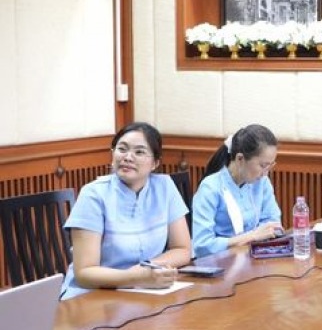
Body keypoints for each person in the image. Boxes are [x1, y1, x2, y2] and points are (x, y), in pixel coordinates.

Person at [60, 122, 192, 300]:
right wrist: (137, 277)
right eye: (122, 149)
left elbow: (183, 249)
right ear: (112, 154)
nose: (128, 157)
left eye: (139, 152)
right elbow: (84, 273)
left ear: (155, 163)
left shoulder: (165, 187)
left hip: (143, 293)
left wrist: (149, 270)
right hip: (93, 296)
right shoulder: (93, 194)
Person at [192, 124, 282, 258]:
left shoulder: (262, 182)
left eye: (270, 166)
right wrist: (252, 236)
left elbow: (273, 223)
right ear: (240, 159)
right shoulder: (210, 188)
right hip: (219, 264)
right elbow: (202, 245)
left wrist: (263, 233)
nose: (265, 173)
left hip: (252, 258)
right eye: (263, 165)